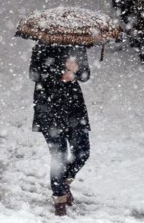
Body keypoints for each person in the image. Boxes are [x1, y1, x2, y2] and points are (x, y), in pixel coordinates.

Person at [29, 41, 91, 216]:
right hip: (48, 107)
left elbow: (85, 75)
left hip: (74, 108)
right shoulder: (41, 47)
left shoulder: (78, 47)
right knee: (59, 156)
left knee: (83, 151)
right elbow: (34, 74)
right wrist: (61, 71)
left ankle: (63, 183)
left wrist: (76, 71)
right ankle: (59, 199)